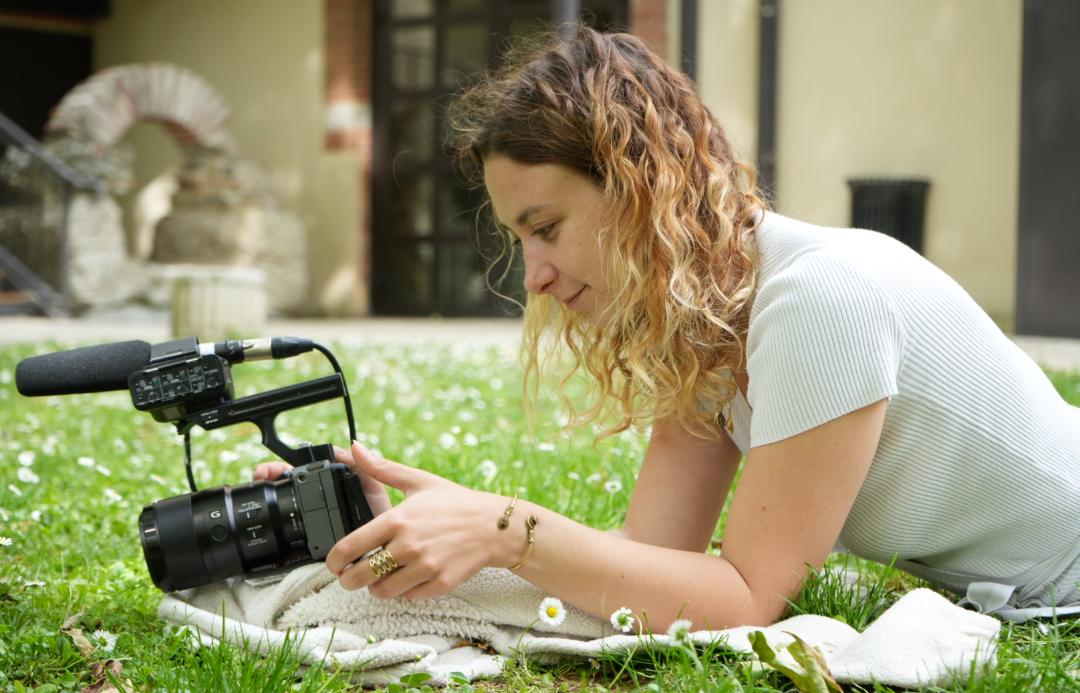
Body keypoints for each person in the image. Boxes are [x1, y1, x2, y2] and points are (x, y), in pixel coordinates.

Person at [257, 26, 1080, 628]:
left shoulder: (820, 299)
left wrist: (507, 529)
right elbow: (650, 559)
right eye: (519, 239)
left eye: (546, 227)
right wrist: (439, 521)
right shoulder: (712, 326)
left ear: (640, 186)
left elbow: (747, 599)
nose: (534, 275)